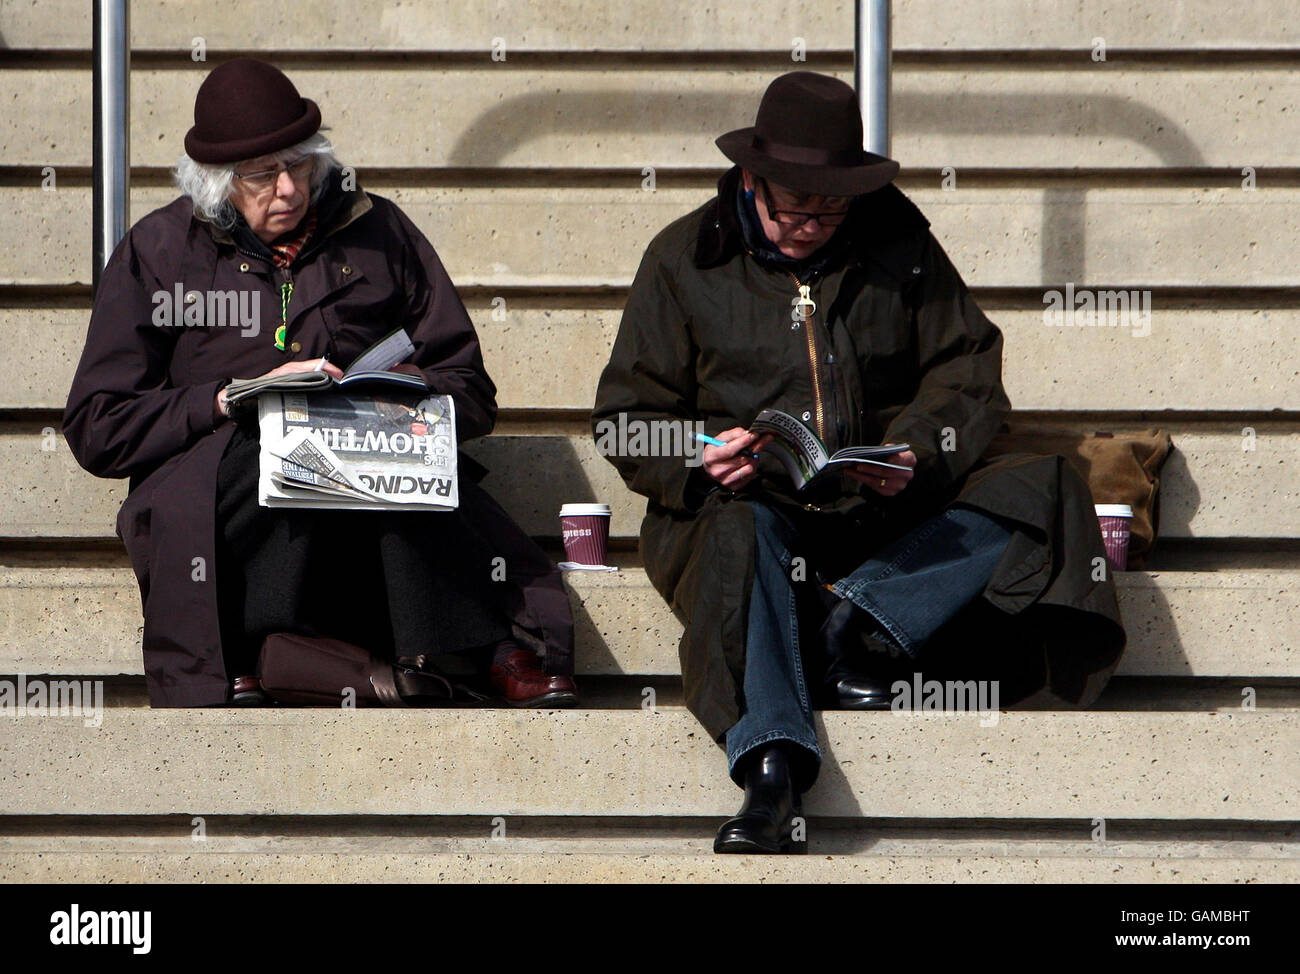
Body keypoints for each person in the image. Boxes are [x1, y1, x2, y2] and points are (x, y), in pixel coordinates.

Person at [592, 72, 1126, 853]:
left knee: (1043, 487)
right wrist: (701, 456)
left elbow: (969, 368)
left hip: (885, 518)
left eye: (830, 207)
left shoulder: (899, 245)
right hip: (746, 516)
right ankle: (771, 767)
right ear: (752, 180)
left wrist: (917, 448)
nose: (811, 224)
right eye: (793, 207)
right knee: (739, 535)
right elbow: (624, 419)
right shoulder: (683, 259)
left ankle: (857, 623)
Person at [64, 58, 577, 708]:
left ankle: (475, 647)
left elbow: (470, 387)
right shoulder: (161, 250)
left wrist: (410, 392)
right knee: (268, 447)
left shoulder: (377, 231)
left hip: (364, 476)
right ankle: (254, 645)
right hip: (230, 484)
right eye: (261, 175)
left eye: (299, 164)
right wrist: (224, 398)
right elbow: (97, 424)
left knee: (374, 453)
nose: (288, 189)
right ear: (217, 184)